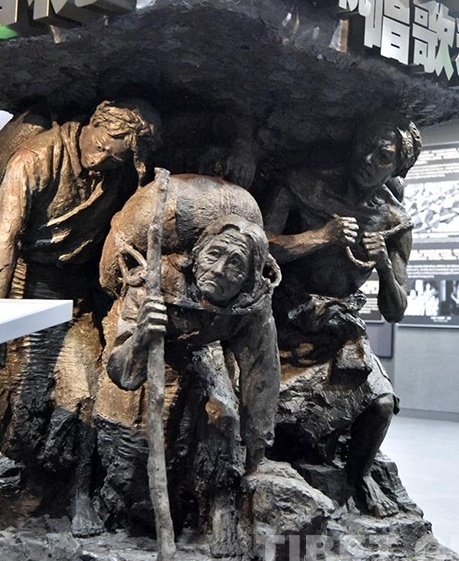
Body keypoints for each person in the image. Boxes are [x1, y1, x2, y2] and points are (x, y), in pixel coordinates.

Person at [0, 98, 161, 535]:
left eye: (117, 157)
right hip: (25, 285)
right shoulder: (34, 159)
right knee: (26, 391)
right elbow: (5, 242)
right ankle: (32, 479)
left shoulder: (119, 175)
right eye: (104, 145)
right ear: (94, 123)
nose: (103, 159)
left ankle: (78, 493)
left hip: (75, 294)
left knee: (85, 390)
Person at [265, 115, 421, 517]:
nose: (368, 160)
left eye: (383, 157)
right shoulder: (304, 184)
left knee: (381, 404)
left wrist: (383, 266)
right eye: (366, 145)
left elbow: (395, 309)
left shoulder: (394, 222)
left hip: (339, 325)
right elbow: (259, 248)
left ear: (397, 167)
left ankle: (355, 481)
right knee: (277, 410)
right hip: (286, 315)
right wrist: (320, 237)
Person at [107, 214, 281, 475]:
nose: (219, 270)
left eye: (235, 263)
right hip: (139, 348)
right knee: (130, 443)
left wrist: (256, 459)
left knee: (222, 423)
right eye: (214, 254)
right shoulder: (154, 281)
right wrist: (141, 337)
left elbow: (261, 376)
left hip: (202, 349)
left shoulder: (252, 306)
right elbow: (123, 374)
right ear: (197, 255)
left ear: (248, 278)